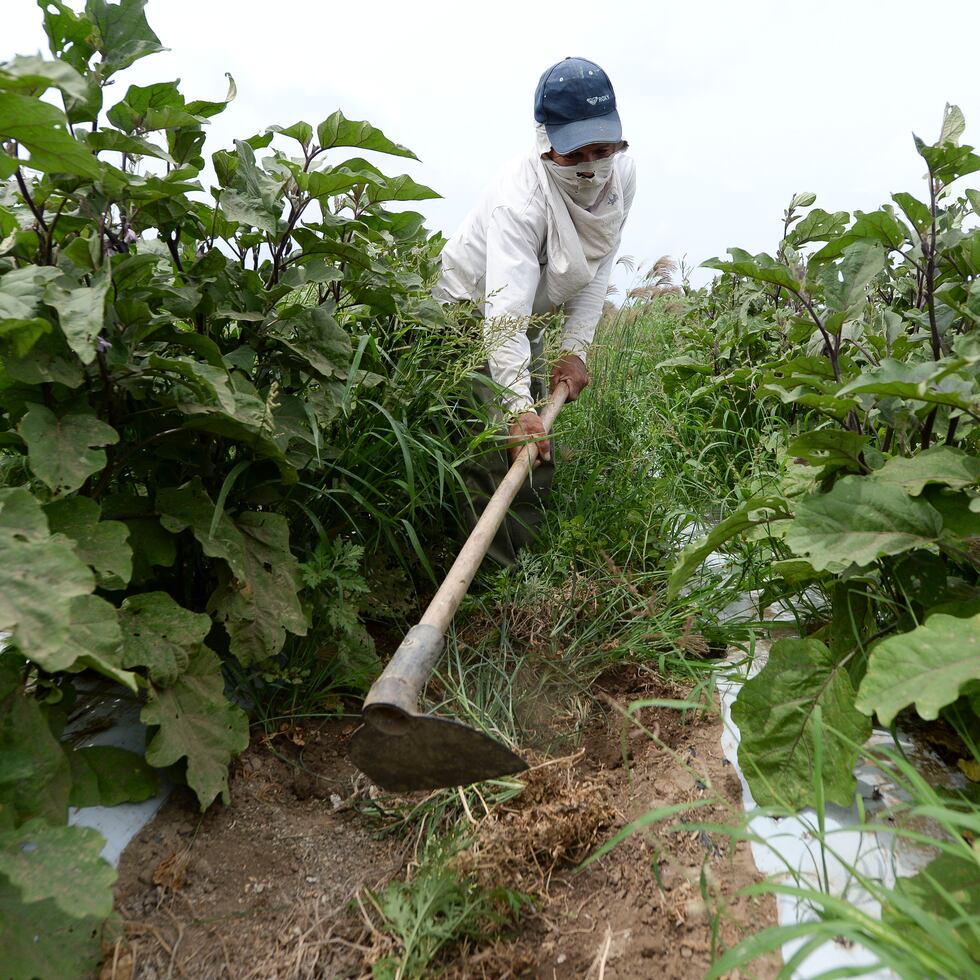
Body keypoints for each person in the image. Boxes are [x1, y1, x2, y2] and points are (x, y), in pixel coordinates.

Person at [433, 56, 636, 564]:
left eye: (602, 149)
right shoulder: (519, 199)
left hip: (528, 314)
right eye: (576, 153)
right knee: (494, 440)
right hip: (467, 312)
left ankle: (520, 569)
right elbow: (502, 314)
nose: (591, 165)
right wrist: (516, 405)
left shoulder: (621, 177)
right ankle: (487, 583)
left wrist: (576, 350)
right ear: (547, 144)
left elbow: (598, 265)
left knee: (535, 445)